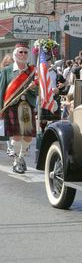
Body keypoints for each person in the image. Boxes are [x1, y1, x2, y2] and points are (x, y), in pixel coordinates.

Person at [0, 43, 37, 174]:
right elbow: (1, 90)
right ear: (15, 53)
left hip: (27, 106)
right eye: (20, 52)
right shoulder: (7, 71)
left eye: (25, 52)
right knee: (16, 136)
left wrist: (34, 88)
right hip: (13, 106)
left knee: (28, 137)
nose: (23, 55)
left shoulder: (33, 71)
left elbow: (37, 91)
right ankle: (17, 160)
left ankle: (22, 157)